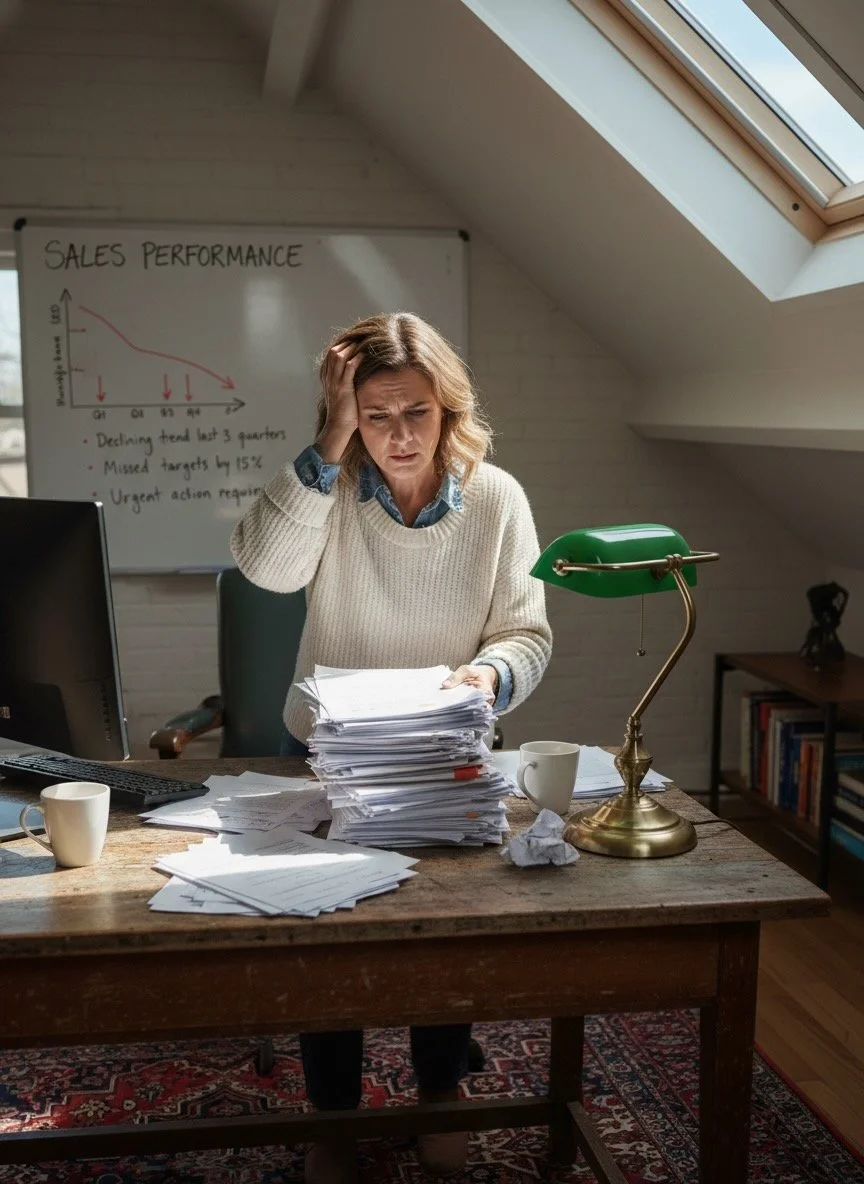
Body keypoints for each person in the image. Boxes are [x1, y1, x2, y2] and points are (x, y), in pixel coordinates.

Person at [230, 312, 552, 1183]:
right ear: (351, 417)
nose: (399, 436)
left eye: (416, 412)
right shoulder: (329, 485)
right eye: (376, 416)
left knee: (442, 933)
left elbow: (526, 633)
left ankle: (439, 1091)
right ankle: (334, 1110)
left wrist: (487, 677)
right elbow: (265, 569)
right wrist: (330, 439)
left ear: (447, 409)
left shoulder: (498, 498)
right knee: (331, 929)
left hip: (448, 752)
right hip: (336, 755)